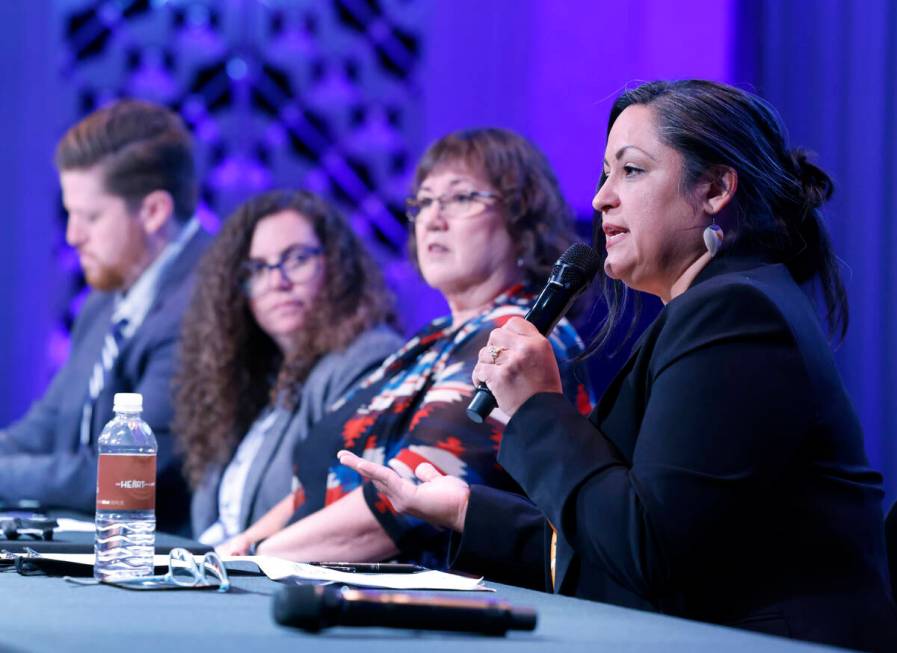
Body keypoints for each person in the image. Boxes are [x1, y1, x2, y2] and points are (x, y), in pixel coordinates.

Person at [339, 80, 897, 652]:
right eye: (605, 174)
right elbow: (621, 539)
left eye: (631, 171)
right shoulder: (720, 307)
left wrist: (535, 408)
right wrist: (464, 509)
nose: (603, 197)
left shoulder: (736, 313)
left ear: (714, 188)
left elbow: (648, 552)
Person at [220, 128, 594, 568]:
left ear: (521, 219)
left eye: (460, 199)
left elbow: (403, 504)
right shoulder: (425, 341)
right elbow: (319, 482)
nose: (434, 219)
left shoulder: (521, 337)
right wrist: (242, 545)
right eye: (425, 202)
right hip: (314, 576)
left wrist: (258, 557)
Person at [0, 99, 208, 532]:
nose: (73, 236)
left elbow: (123, 473)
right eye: (70, 215)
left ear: (153, 212)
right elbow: (47, 425)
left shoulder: (205, 304)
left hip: (157, 560)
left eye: (89, 217)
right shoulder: (106, 297)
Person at [175, 189, 403, 544]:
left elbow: (328, 492)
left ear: (337, 264)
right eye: (258, 268)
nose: (277, 282)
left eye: (296, 259)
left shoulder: (365, 358)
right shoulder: (261, 377)